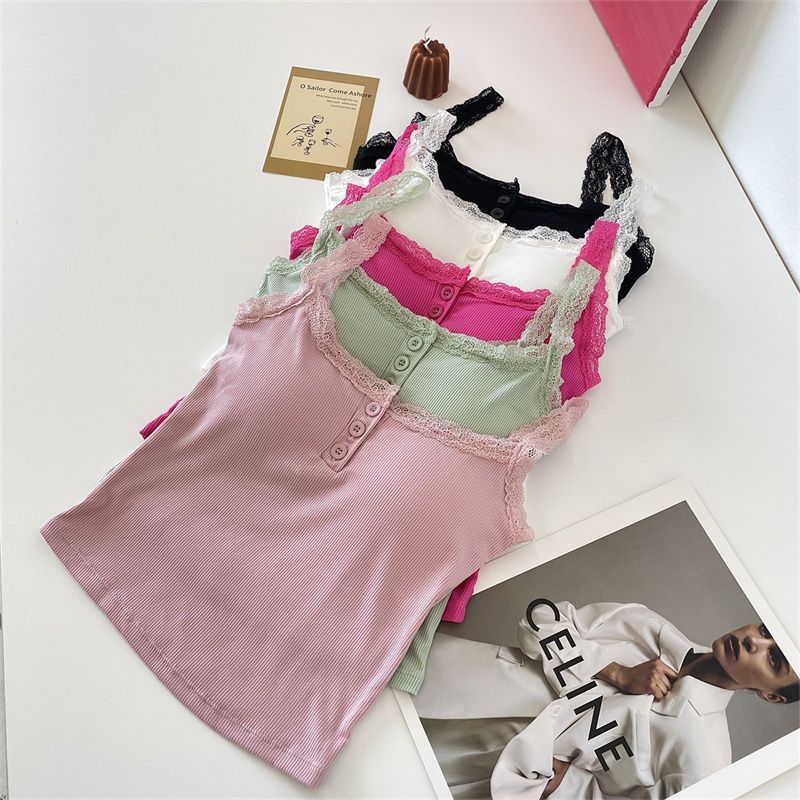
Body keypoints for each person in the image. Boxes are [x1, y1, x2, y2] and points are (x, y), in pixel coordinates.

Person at [488, 601, 799, 799]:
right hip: (478, 683)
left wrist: (565, 785)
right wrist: (615, 671)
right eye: (764, 630)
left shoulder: (705, 764)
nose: (753, 641)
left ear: (772, 696)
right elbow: (538, 619)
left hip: (494, 780)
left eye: (774, 658)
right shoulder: (649, 626)